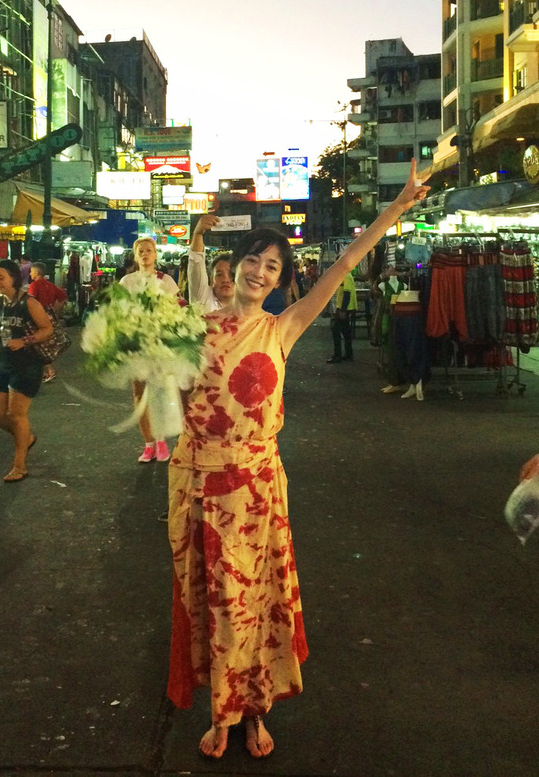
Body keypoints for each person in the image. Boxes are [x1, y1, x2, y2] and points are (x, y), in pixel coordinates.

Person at [166, 162, 430, 758]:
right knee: (208, 601)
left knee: (254, 600)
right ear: (233, 266)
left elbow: (343, 265)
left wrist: (398, 206)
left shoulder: (283, 328)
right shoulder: (195, 324)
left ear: (281, 279)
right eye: (254, 259)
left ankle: (253, 711)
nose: (260, 272)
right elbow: (172, 385)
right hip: (197, 484)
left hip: (254, 491)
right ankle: (223, 713)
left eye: (273, 266)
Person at [0, 259, 53, 482]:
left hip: (27, 363)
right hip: (3, 362)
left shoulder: (29, 303)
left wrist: (26, 340)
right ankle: (25, 437)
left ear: (13, 279)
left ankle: (19, 465)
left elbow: (47, 329)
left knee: (16, 415)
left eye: (1, 277)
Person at [119, 237, 180, 463]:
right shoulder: (126, 282)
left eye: (149, 250)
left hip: (160, 345)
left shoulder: (167, 281)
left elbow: (175, 312)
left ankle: (161, 440)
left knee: (159, 392)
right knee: (139, 394)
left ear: (156, 255)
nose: (145, 254)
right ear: (136, 256)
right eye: (141, 251)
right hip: (135, 345)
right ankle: (148, 444)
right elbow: (119, 311)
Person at [28, 262, 67, 383]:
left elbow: (31, 301)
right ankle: (46, 372)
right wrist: (55, 309)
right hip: (49, 316)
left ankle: (49, 370)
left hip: (37, 317)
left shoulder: (34, 285)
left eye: (32, 271)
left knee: (38, 345)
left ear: (37, 273)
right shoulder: (50, 285)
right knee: (44, 345)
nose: (30, 273)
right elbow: (63, 296)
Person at [187, 213, 234, 312]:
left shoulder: (248, 308)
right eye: (219, 275)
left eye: (231, 274)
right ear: (211, 281)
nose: (225, 279)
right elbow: (196, 262)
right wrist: (197, 234)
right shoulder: (203, 300)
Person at [327, 272, 357, 362]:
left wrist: (343, 310)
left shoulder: (346, 276)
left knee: (336, 329)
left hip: (345, 308)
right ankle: (348, 354)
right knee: (346, 331)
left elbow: (347, 294)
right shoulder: (344, 275)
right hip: (345, 307)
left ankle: (337, 355)